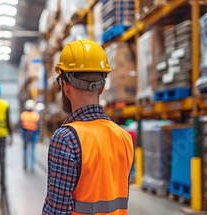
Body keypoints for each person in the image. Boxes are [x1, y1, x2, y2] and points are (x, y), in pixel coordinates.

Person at [42, 39, 134, 215]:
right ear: (102, 87)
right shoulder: (124, 137)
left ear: (65, 86)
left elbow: (56, 211)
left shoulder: (66, 139)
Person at [20, 99, 40, 172]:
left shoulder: (23, 115)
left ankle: (25, 165)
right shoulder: (36, 115)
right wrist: (38, 135)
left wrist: (22, 135)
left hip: (25, 133)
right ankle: (32, 166)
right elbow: (38, 126)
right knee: (32, 150)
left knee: (25, 150)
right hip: (33, 133)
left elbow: (21, 125)